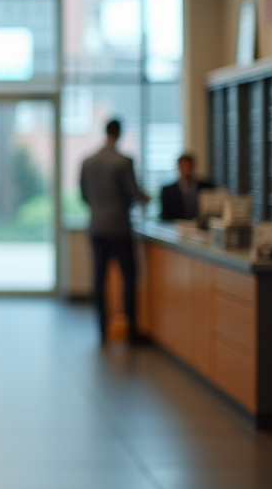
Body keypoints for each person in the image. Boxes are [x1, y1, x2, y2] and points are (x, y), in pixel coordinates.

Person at [79, 118, 149, 342]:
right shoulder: (123, 161)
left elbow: (83, 195)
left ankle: (102, 326)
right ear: (119, 134)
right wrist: (142, 198)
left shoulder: (88, 161)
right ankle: (131, 329)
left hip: (97, 226)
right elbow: (132, 193)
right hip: (119, 228)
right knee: (129, 277)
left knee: (99, 278)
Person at [160, 152, 214, 221]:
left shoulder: (207, 187)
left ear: (193, 166)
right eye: (183, 166)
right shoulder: (168, 191)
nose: (186, 169)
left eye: (188, 166)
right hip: (177, 228)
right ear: (178, 167)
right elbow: (165, 216)